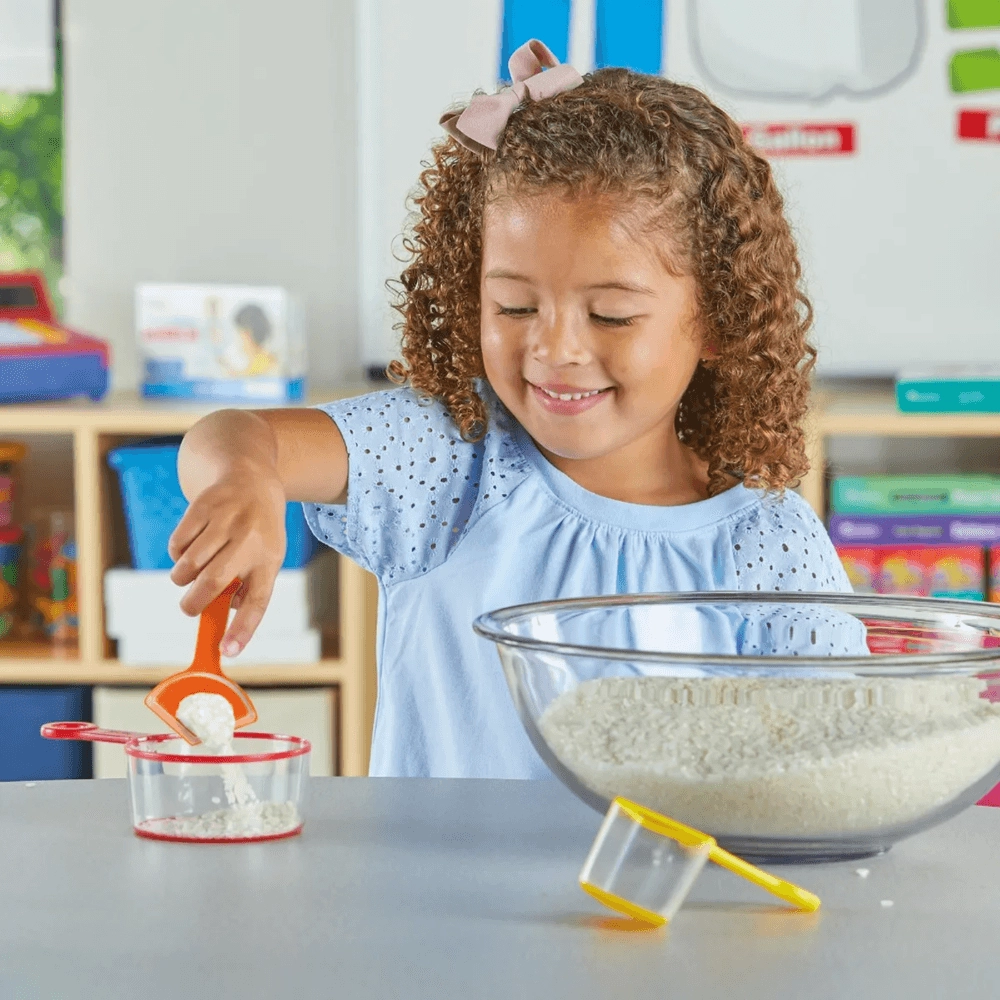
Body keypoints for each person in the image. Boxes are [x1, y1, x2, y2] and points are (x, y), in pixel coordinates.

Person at [169, 41, 851, 779]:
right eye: (515, 305)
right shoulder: (451, 459)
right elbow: (239, 436)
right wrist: (243, 477)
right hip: (434, 897)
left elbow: (833, 760)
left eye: (613, 316)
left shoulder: (769, 544)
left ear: (718, 319)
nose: (554, 349)